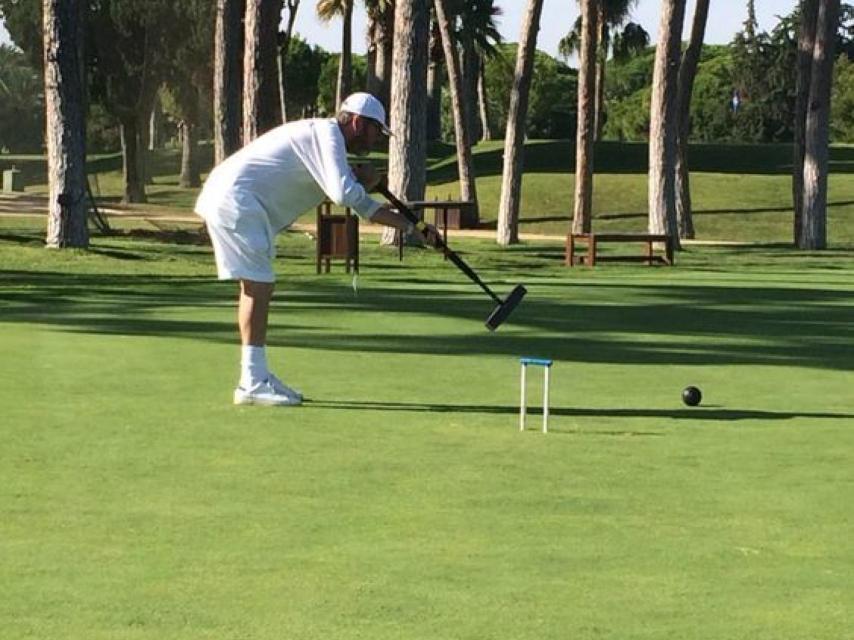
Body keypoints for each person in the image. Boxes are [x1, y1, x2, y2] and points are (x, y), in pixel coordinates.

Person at [194, 92, 440, 407]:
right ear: (357, 121)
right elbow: (342, 193)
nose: (377, 140)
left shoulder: (327, 144)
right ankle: (252, 382)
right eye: (376, 131)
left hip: (237, 201)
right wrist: (363, 182)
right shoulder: (326, 134)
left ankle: (256, 376)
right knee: (258, 286)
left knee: (258, 286)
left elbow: (360, 202)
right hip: (236, 200)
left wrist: (413, 227)